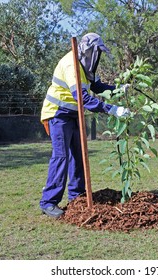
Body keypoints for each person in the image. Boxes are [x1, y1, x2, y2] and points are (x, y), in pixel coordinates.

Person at [39, 33, 129, 218]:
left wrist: (118, 89)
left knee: (79, 156)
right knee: (61, 157)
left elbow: (96, 87)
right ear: (88, 50)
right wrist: (111, 109)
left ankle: (76, 197)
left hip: (73, 115)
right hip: (57, 114)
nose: (98, 56)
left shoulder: (85, 66)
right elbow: (82, 98)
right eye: (97, 51)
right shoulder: (71, 64)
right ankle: (48, 202)